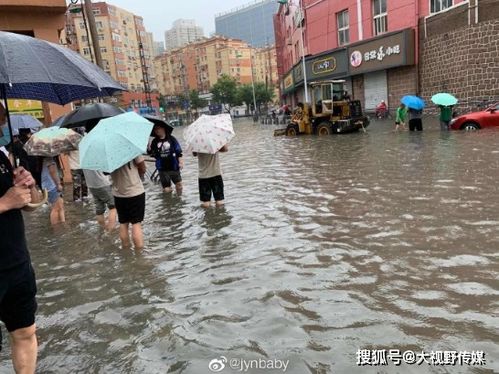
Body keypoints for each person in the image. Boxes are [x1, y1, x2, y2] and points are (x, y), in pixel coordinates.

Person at [0, 138, 42, 373]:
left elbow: (30, 205)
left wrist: (29, 186)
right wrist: (4, 202)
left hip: (16, 263)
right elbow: (8, 202)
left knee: (25, 331)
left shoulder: (4, 157)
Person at [111, 157, 146, 249]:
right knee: (136, 223)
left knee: (123, 223)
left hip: (118, 193)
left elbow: (105, 172)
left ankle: (125, 248)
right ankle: (139, 252)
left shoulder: (108, 154)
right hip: (135, 191)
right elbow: (143, 168)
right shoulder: (131, 147)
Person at [147, 123, 184, 194]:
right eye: (155, 129)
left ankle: (179, 199)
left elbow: (179, 152)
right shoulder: (154, 141)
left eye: (158, 128)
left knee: (179, 185)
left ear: (163, 128)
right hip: (162, 168)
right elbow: (152, 154)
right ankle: (170, 202)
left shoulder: (172, 139)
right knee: (167, 189)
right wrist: (149, 149)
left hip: (174, 167)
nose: (156, 130)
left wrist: (181, 162)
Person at [41, 157, 65, 225]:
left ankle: (63, 225)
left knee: (60, 206)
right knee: (56, 208)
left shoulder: (41, 158)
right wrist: (58, 184)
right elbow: (52, 170)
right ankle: (56, 229)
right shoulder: (48, 157)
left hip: (46, 184)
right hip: (51, 185)